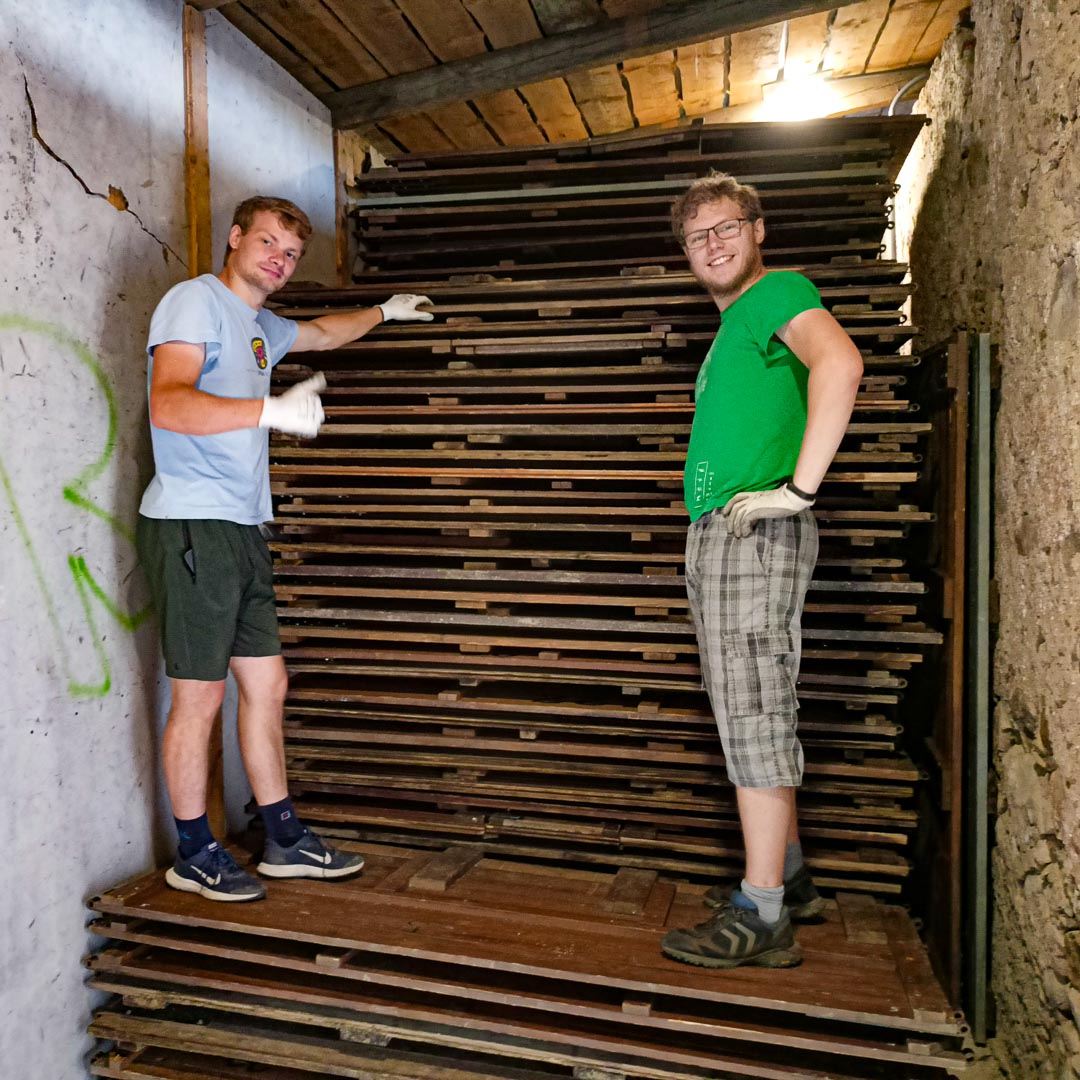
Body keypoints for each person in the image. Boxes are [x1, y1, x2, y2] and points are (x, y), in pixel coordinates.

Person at [136, 195, 433, 902]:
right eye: (267, 242)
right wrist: (270, 409)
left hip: (241, 527)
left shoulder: (260, 325)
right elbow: (168, 402)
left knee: (268, 685)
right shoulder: (196, 302)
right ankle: (194, 852)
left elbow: (324, 334)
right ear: (235, 238)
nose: (279, 259)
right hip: (193, 522)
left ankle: (284, 839)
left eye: (291, 253)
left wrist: (385, 312)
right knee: (200, 696)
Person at [659, 174, 864, 968]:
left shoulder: (777, 292)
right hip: (725, 534)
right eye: (697, 236)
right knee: (748, 703)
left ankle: (763, 911)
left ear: (758, 229)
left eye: (726, 226)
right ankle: (792, 877)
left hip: (753, 531)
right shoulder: (736, 324)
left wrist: (798, 492)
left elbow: (840, 364)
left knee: (753, 710)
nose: (713, 243)